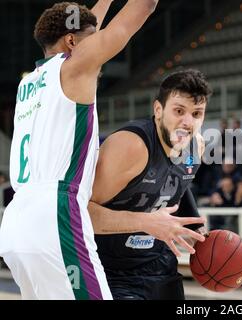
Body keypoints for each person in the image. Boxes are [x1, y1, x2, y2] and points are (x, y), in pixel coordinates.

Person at [0, 0, 203, 300]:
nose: (98, 44)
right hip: (56, 216)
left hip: (17, 223)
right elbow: (144, 7)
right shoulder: (74, 68)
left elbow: (82, 26)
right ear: (72, 41)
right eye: (92, 36)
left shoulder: (28, 84)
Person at [89, 69, 211, 300]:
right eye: (178, 111)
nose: (187, 122)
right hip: (111, 270)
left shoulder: (196, 147)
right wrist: (145, 222)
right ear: (158, 110)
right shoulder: (131, 146)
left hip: (159, 265)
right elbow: (79, 213)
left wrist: (197, 228)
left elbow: (178, 185)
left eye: (197, 113)